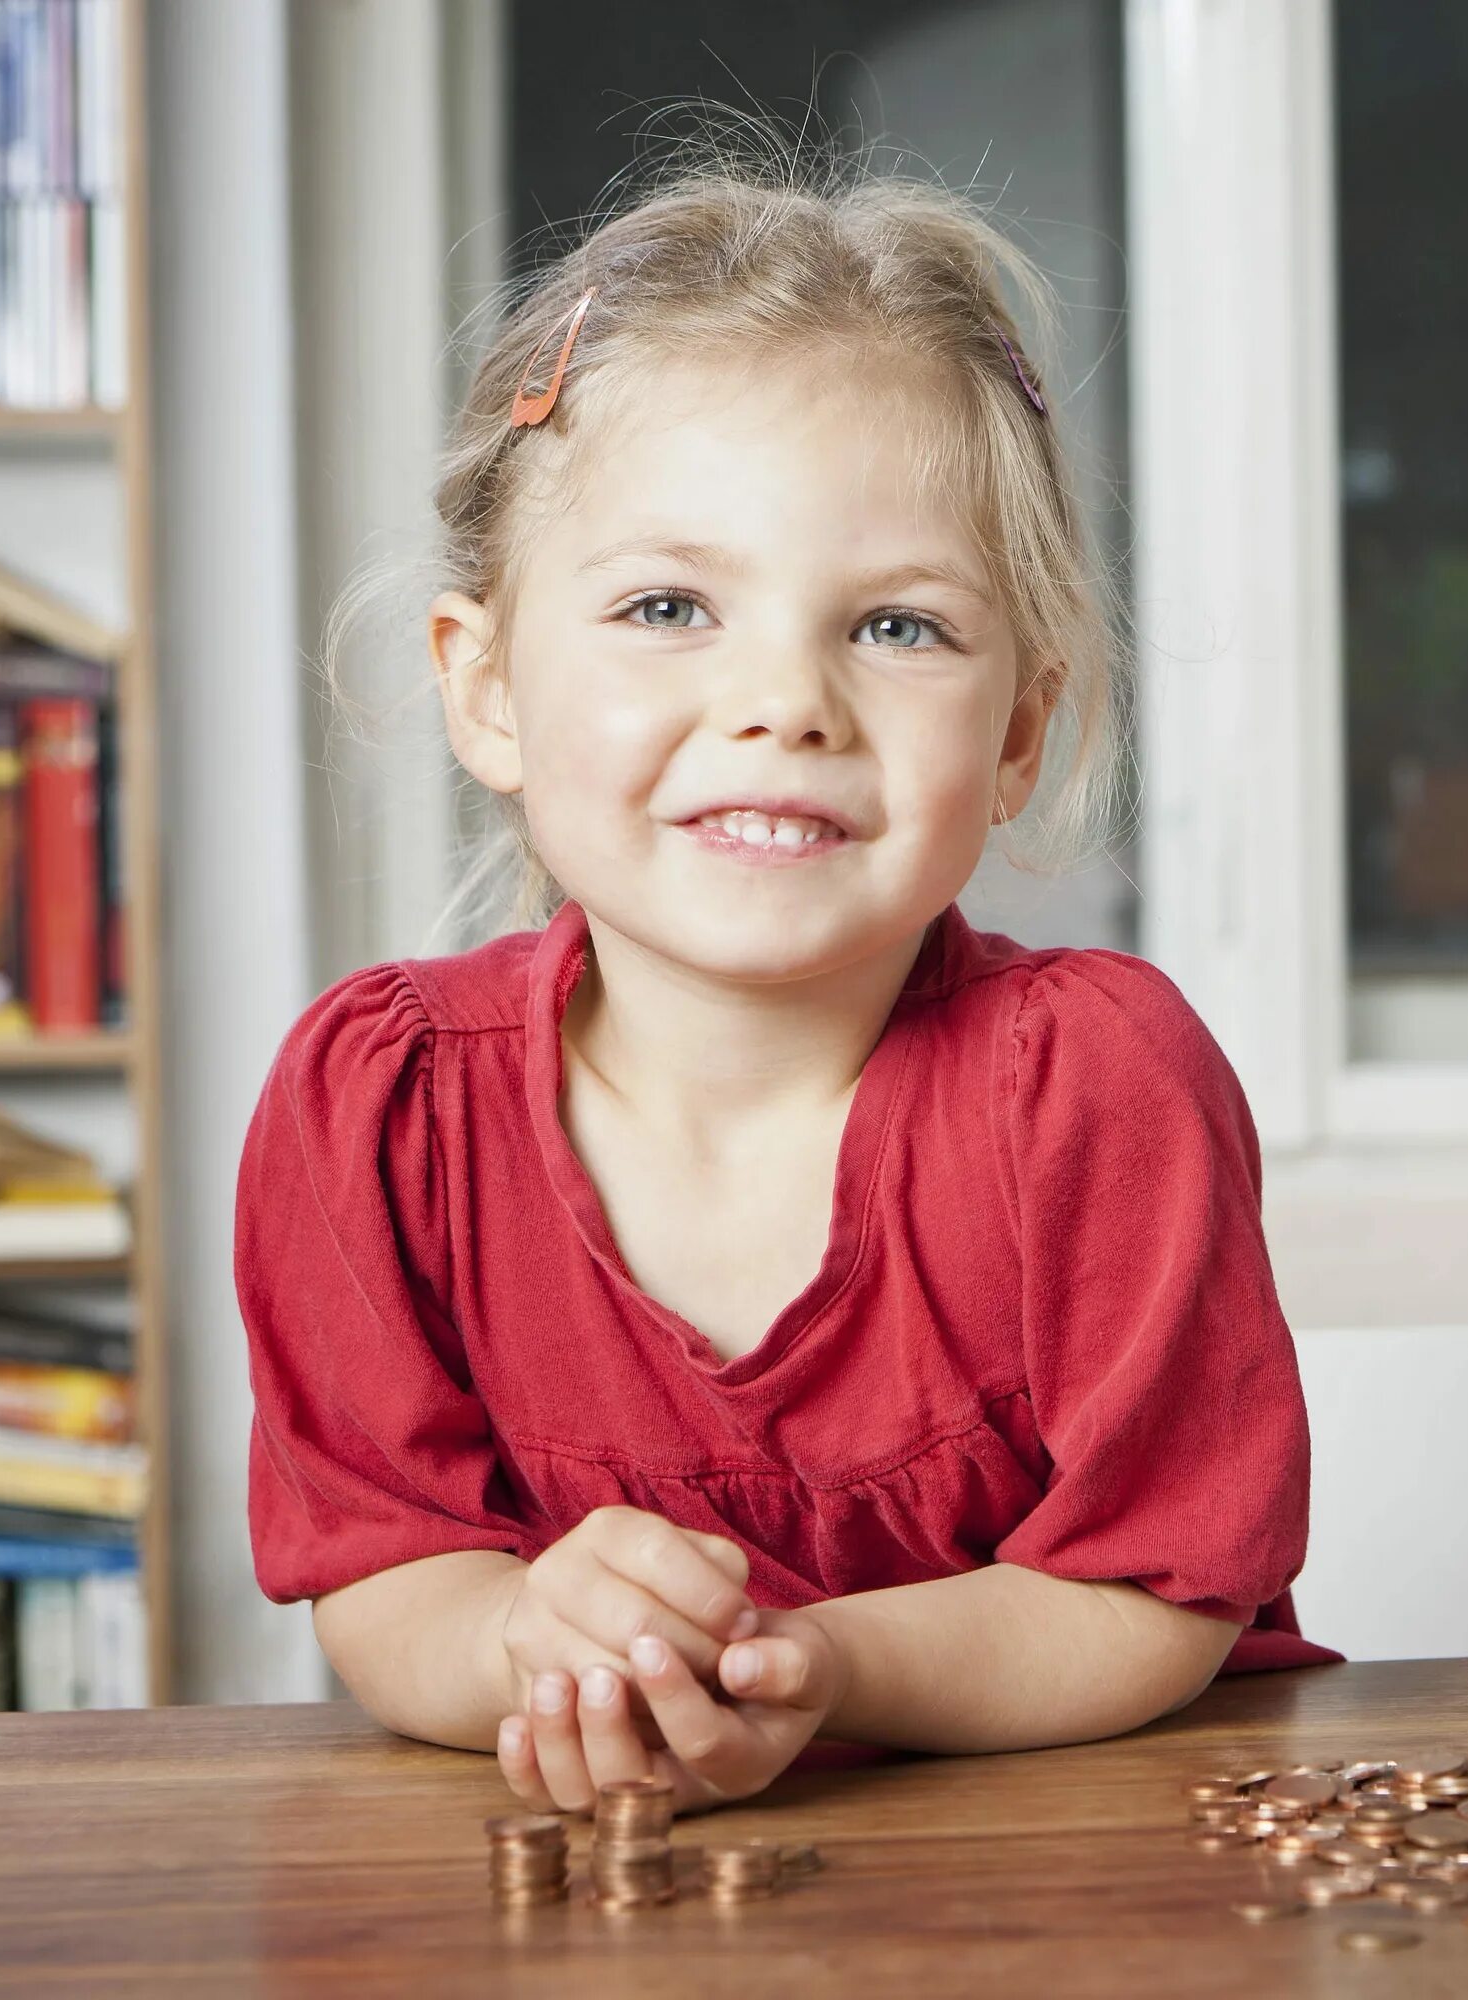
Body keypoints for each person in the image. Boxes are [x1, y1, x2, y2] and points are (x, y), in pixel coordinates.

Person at [235, 152, 1329, 1816]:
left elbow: (1156, 1596)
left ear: (1020, 730)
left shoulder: (1102, 1086)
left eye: (897, 628)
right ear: (488, 690)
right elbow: (386, 1586)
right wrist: (536, 1632)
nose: (786, 701)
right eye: (669, 606)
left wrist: (828, 1672)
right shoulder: (376, 1107)